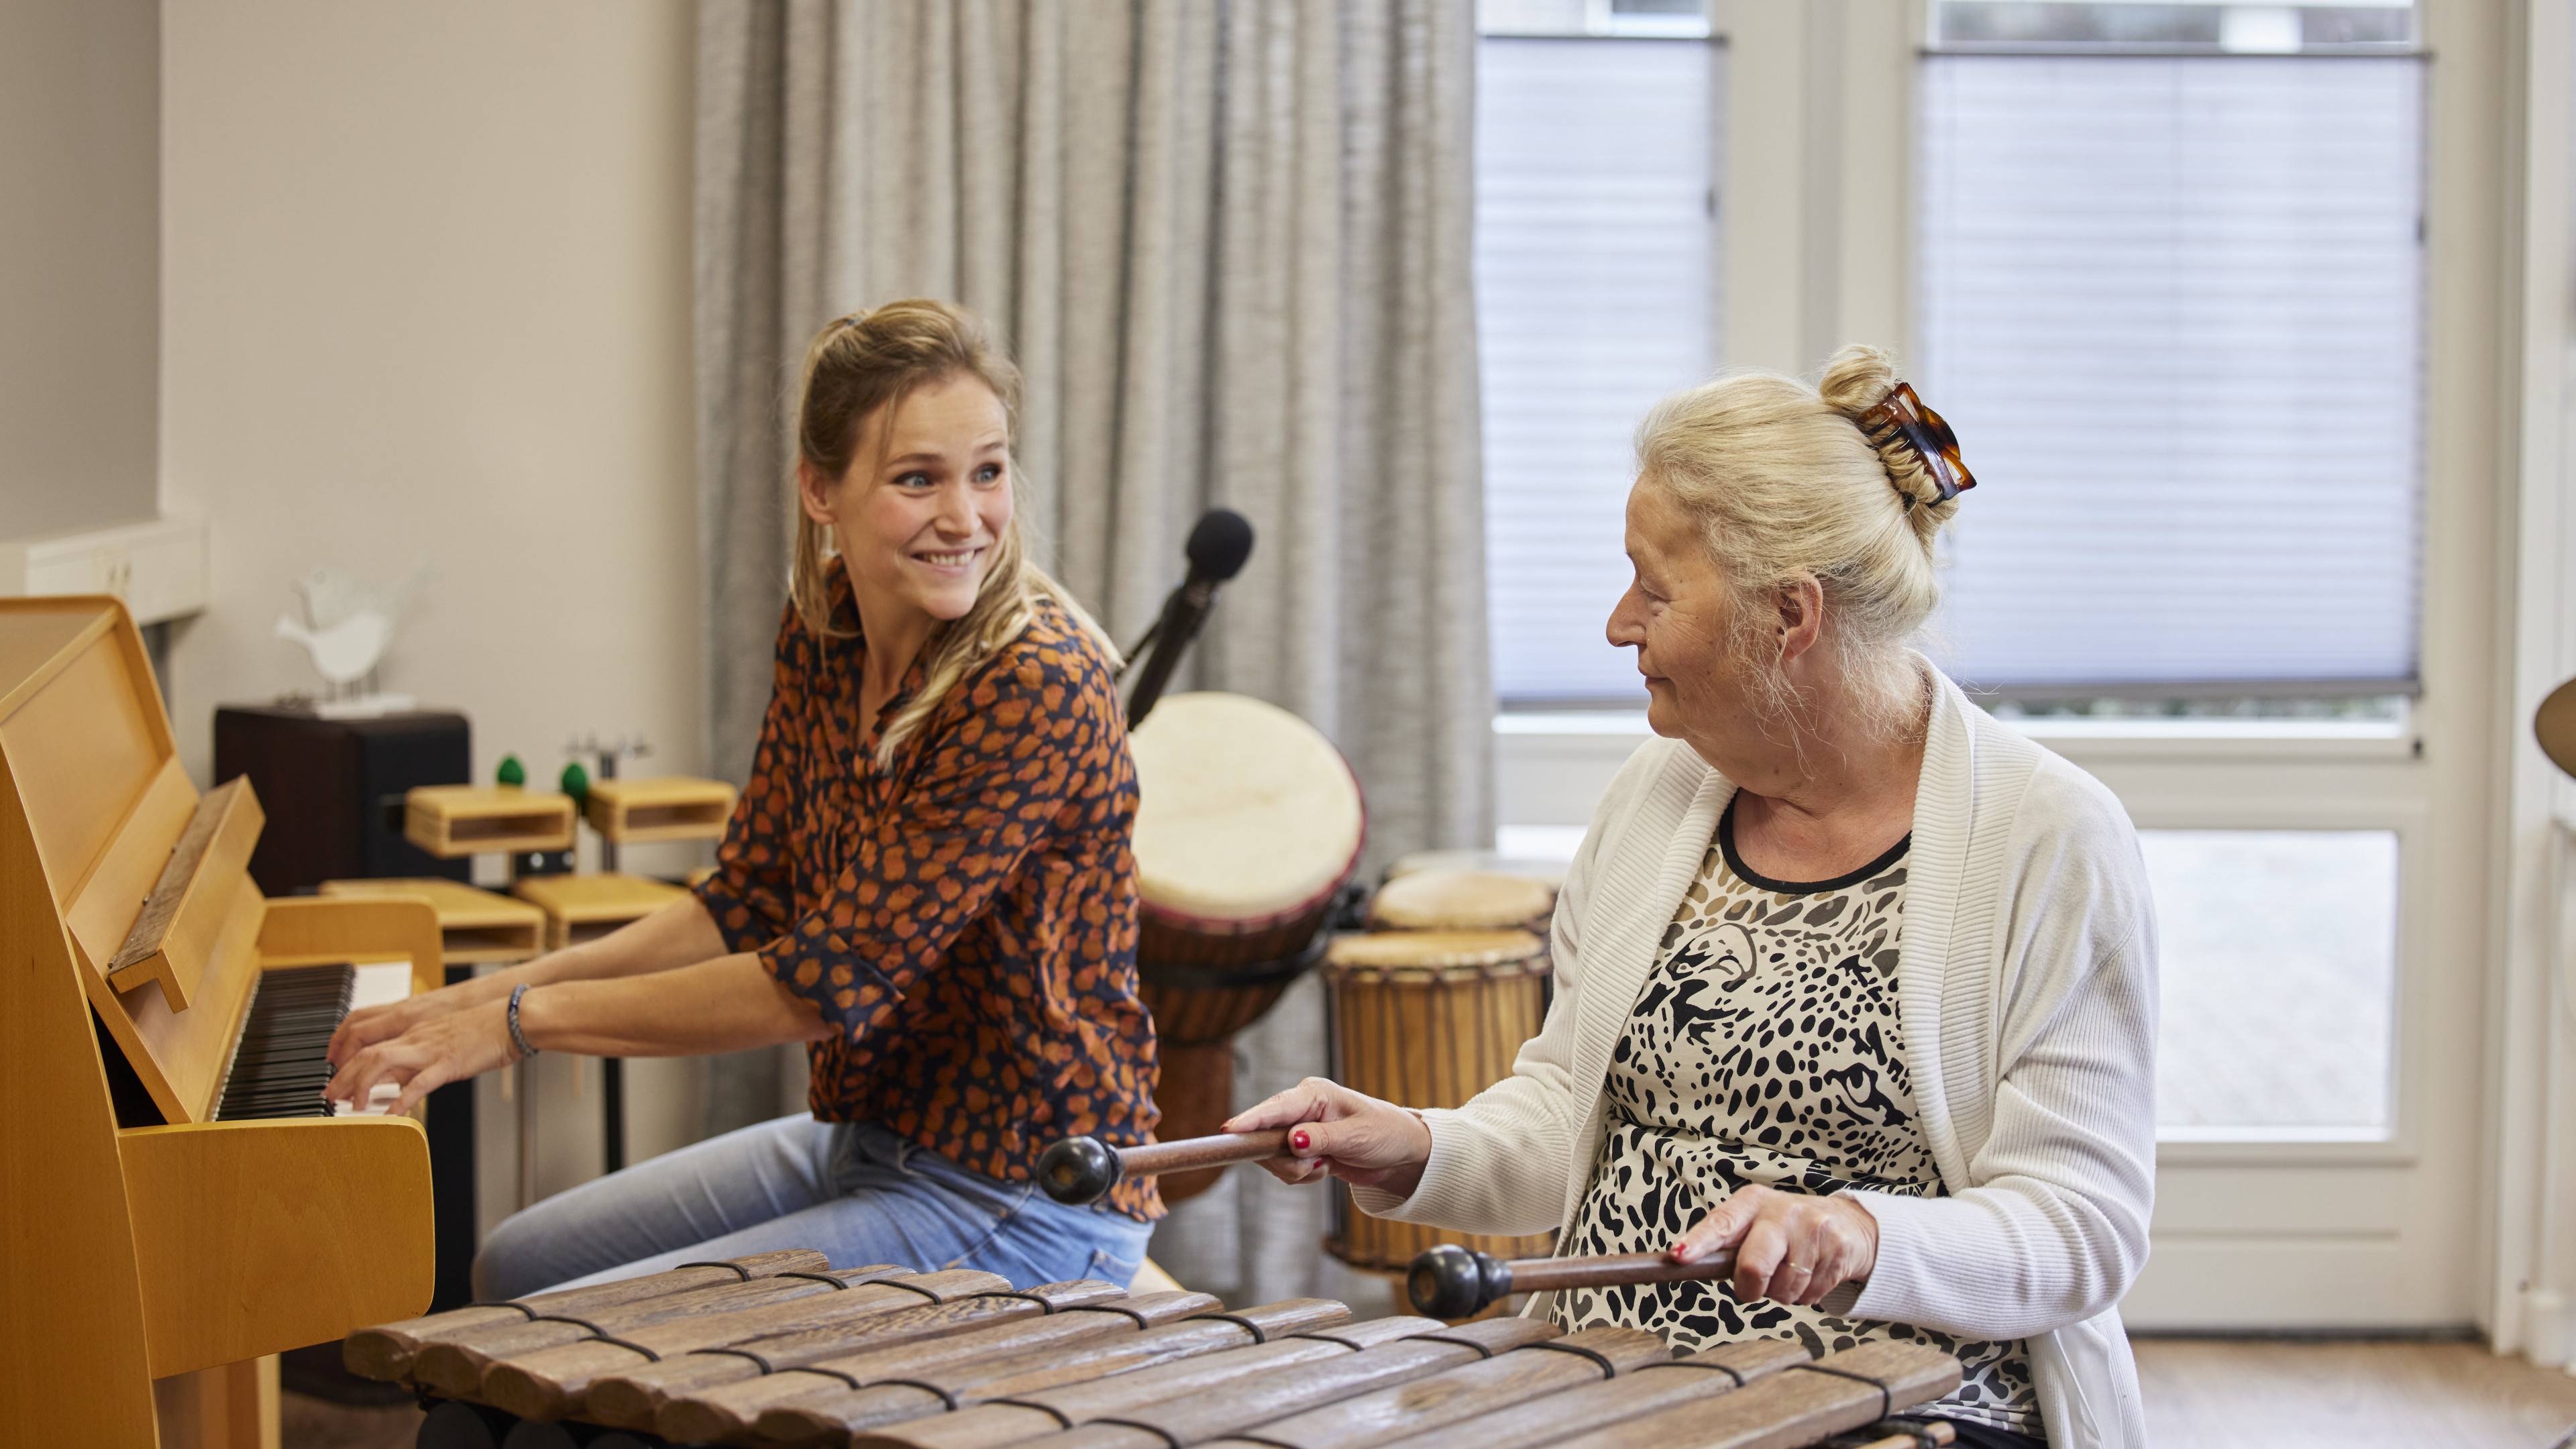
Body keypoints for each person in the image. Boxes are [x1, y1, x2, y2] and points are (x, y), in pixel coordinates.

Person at [1229, 347, 2156, 1449]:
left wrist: (1861, 1235)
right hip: (1598, 1380)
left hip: (1903, 1403)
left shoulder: (2051, 836)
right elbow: (1571, 1107)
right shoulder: (1659, 796)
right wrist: (1419, 1147)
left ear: (1790, 616)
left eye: (1656, 590)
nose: (1621, 624)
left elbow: (2083, 1230)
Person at [324, 299, 1161, 1295]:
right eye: (916, 480)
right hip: (874, 1141)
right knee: (513, 1264)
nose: (965, 517)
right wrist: (498, 991)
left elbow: (818, 984)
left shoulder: (1033, 684)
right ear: (821, 491)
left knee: (551, 1330)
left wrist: (515, 1023)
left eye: (987, 472)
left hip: (1026, 1198)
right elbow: (749, 900)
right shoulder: (826, 627)